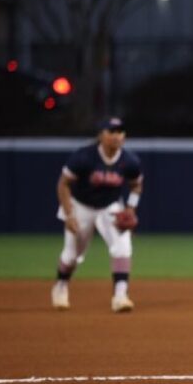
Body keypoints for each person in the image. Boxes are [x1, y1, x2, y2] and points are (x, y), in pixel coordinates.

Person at [50, 117, 143, 313]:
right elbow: (63, 184)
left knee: (123, 247)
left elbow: (136, 185)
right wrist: (69, 215)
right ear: (101, 135)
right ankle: (61, 285)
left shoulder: (129, 161)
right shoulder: (84, 157)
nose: (116, 136)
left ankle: (120, 295)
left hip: (110, 207)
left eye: (120, 132)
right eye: (111, 131)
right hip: (80, 206)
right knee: (72, 256)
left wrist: (130, 208)